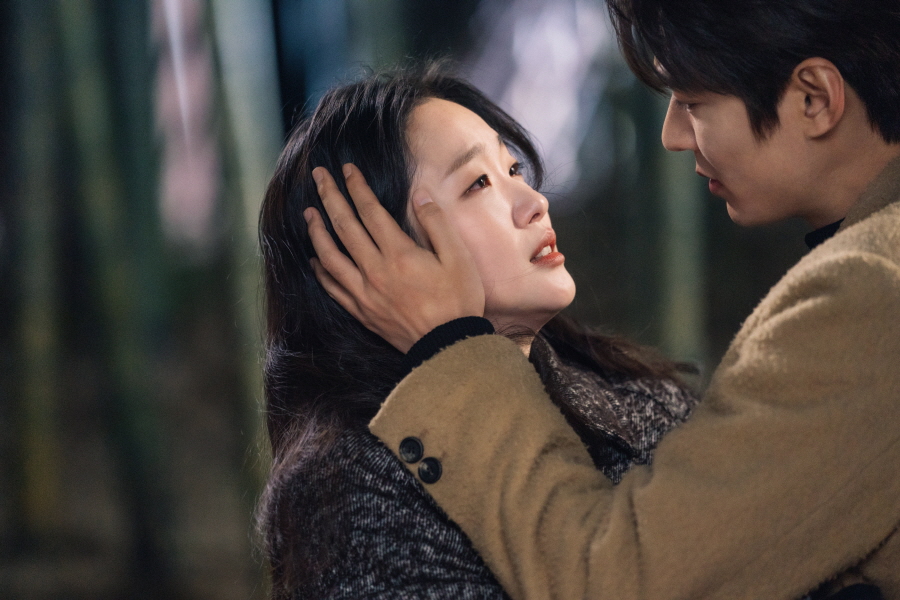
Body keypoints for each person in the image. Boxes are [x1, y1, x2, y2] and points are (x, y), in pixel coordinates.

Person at [305, 0, 900, 598]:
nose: (672, 135)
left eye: (695, 103)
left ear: (815, 99)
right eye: (481, 182)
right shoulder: (359, 490)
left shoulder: (866, 291)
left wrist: (449, 347)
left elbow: (622, 579)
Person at [257, 66, 699, 599]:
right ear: (370, 255)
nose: (534, 202)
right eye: (479, 184)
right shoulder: (352, 492)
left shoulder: (637, 397)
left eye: (512, 168)